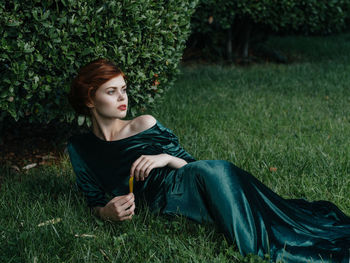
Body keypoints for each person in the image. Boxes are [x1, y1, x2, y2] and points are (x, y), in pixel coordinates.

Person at [67, 58, 350, 263]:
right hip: (168, 205)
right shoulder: (81, 148)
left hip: (191, 183)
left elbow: (192, 165)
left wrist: (164, 158)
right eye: (112, 91)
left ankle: (263, 252)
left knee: (214, 171)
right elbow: (93, 199)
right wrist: (106, 213)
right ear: (91, 100)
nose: (123, 98)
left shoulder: (143, 123)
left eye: (124, 89)